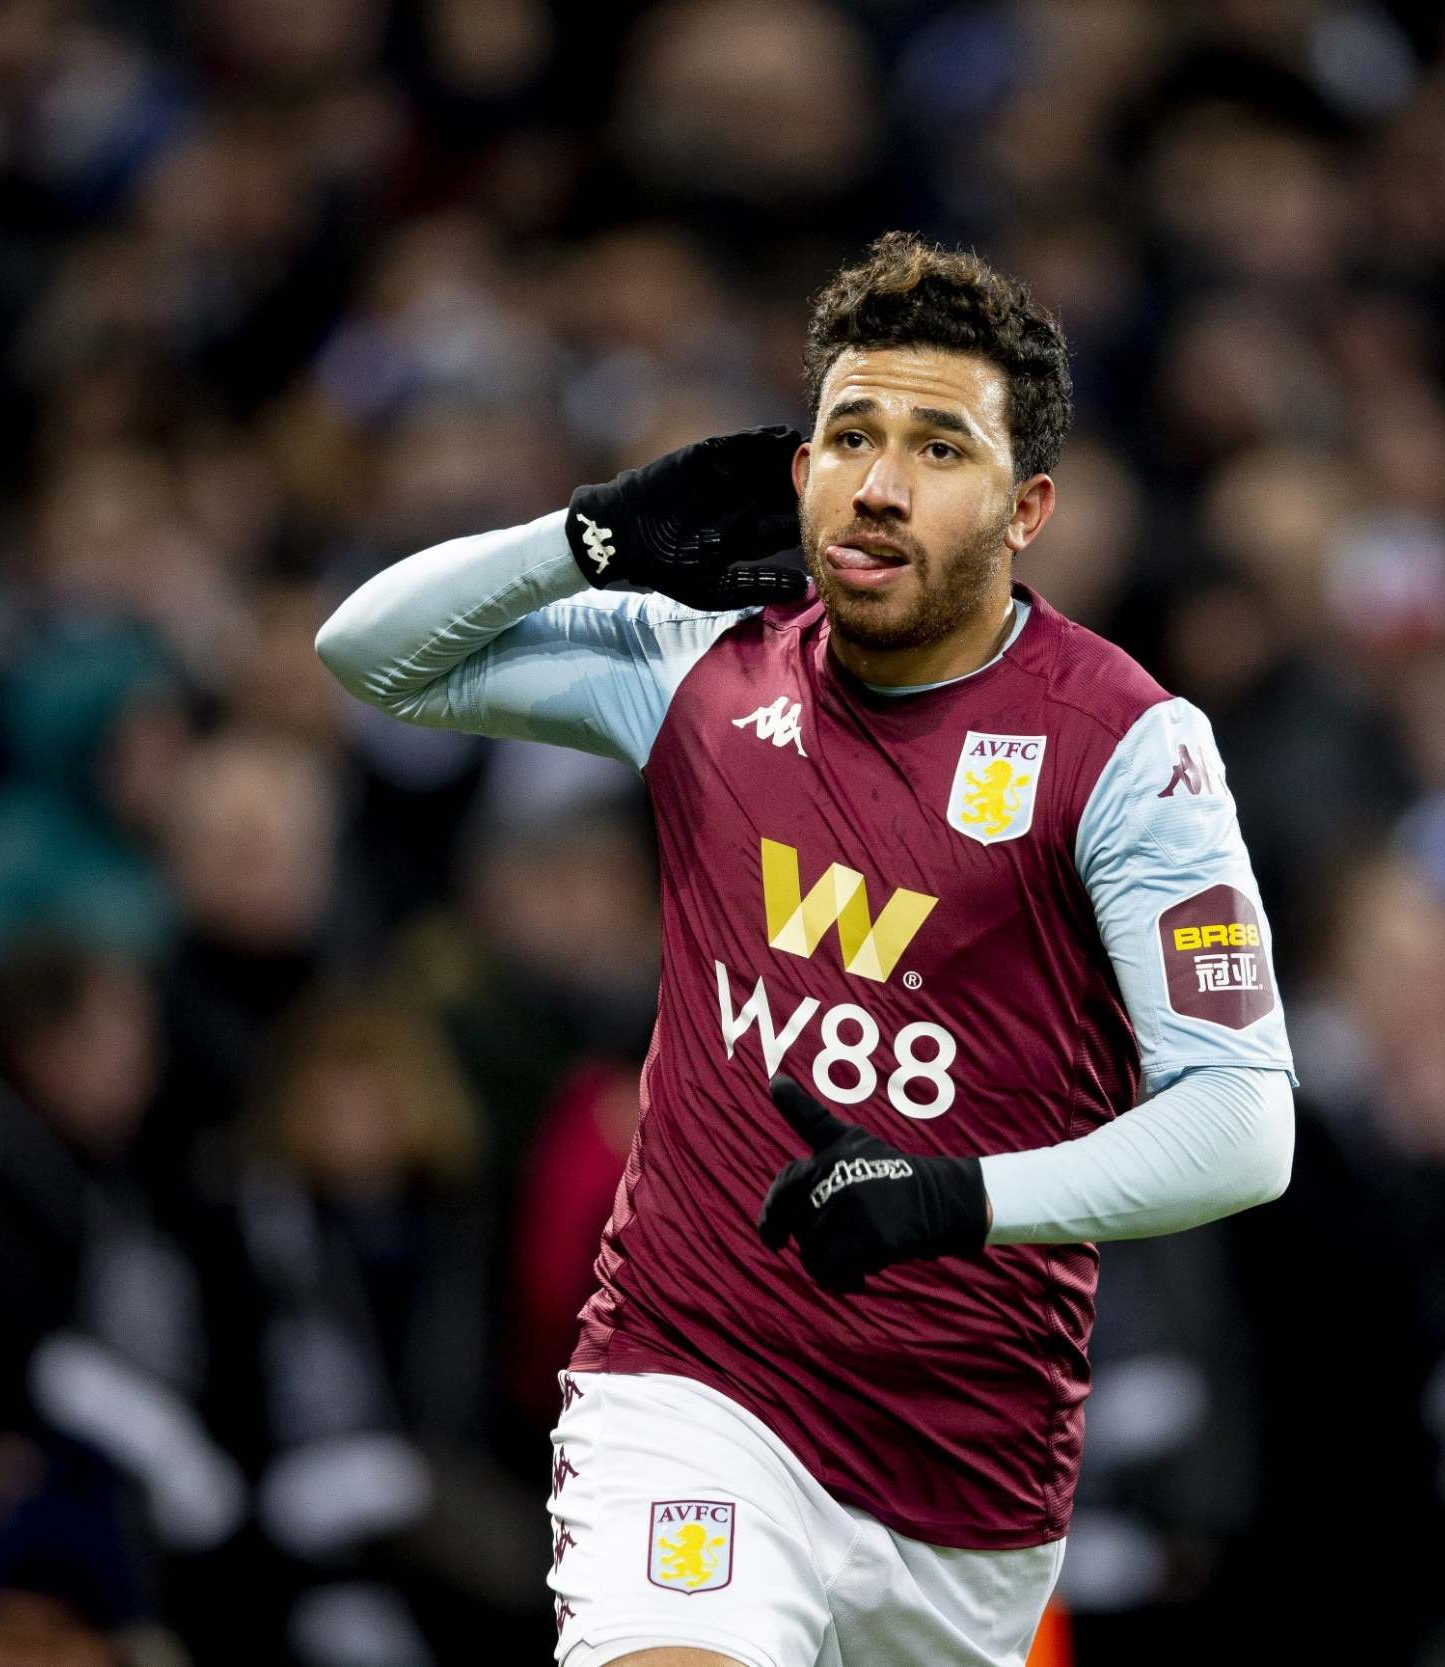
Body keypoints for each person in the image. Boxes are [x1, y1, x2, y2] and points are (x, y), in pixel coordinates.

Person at [315, 232, 1298, 1667]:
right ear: (801, 469)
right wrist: (584, 537)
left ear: (1026, 509)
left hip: (966, 1477)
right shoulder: (699, 663)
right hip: (691, 1384)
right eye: (850, 435)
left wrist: (948, 1201)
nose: (881, 485)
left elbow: (1241, 1125)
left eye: (938, 449)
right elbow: (367, 654)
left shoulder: (1128, 750)